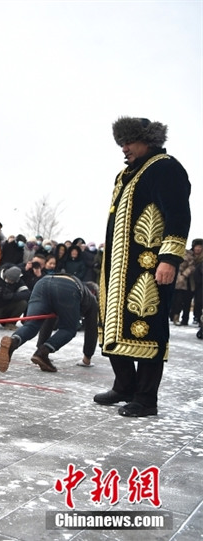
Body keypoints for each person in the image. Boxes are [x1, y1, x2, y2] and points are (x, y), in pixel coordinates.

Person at [94, 117, 191, 417]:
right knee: (113, 325)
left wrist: (170, 259)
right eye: (121, 143)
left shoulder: (165, 167)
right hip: (117, 270)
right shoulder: (125, 174)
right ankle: (124, 386)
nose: (124, 149)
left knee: (149, 326)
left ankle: (147, 398)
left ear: (146, 140)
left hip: (148, 268)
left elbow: (178, 215)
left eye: (129, 142)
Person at [0, 274, 99, 373]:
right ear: (93, 292)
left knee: (31, 324)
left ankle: (13, 341)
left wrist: (41, 345)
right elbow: (91, 329)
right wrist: (87, 358)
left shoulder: (77, 285)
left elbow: (49, 320)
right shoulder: (91, 298)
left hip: (42, 283)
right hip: (67, 288)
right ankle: (43, 352)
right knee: (68, 329)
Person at [169, 238, 203, 326]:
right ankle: (179, 317)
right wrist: (183, 275)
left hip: (198, 282)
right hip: (185, 281)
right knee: (181, 300)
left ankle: (197, 318)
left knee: (198, 301)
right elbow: (184, 265)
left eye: (200, 247)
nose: (198, 249)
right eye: (196, 247)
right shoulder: (187, 254)